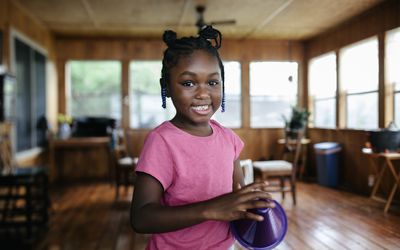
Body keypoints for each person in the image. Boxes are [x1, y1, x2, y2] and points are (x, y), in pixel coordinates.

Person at [130, 25, 274, 250]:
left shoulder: (229, 139)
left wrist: (254, 206)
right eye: (188, 83)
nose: (203, 93)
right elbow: (141, 217)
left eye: (213, 82)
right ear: (166, 86)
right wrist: (209, 209)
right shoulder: (162, 141)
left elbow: (236, 200)